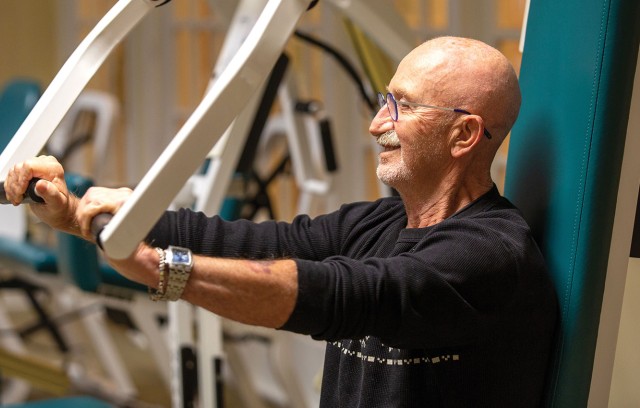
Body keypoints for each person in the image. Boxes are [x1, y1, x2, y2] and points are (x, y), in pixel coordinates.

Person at [4, 36, 557, 407]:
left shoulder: (491, 255)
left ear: (464, 135)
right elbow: (248, 242)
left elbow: (342, 294)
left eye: (403, 106)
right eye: (384, 100)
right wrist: (80, 213)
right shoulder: (378, 223)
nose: (376, 124)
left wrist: (162, 270)